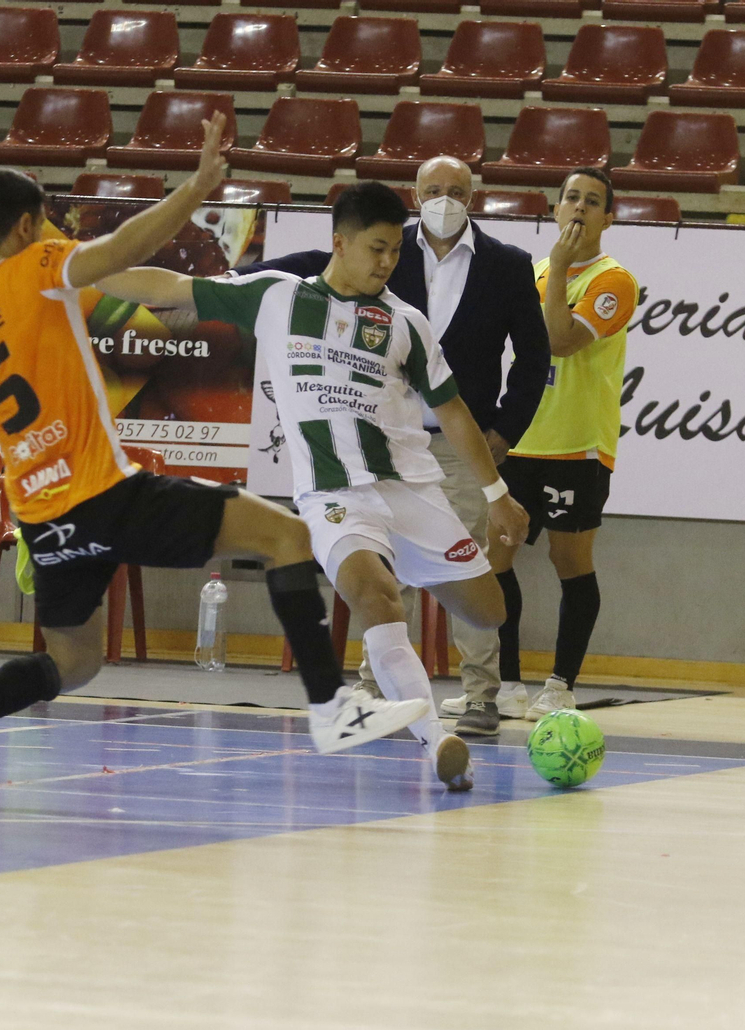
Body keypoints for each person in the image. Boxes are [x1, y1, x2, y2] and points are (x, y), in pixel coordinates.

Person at [0, 134, 433, 802]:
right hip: (104, 492)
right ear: (24, 226)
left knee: (75, 661)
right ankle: (332, 708)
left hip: (41, 516)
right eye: (43, 221)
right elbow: (120, 251)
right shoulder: (39, 264)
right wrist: (193, 191)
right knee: (287, 538)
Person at [95, 182, 530, 791]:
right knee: (374, 593)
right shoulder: (277, 296)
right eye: (376, 249)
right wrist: (80, 270)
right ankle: (439, 742)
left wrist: (495, 494)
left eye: (393, 254)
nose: (386, 262)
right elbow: (166, 290)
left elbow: (454, 412)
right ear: (339, 243)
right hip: (334, 498)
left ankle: (425, 621)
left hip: (411, 492)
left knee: (490, 614)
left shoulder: (405, 323)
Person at [234, 156, 551, 737]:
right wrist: (237, 277)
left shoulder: (507, 265)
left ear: (473, 195)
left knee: (481, 598)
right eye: (434, 189)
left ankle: (481, 692)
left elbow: (533, 359)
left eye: (456, 190)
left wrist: (501, 438)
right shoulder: (383, 249)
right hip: (375, 444)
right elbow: (304, 270)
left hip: (461, 443)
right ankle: (378, 693)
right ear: (416, 193)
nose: (444, 199)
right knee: (376, 579)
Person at [490, 167, 638, 721]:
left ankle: (560, 684)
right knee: (494, 557)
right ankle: (504, 685)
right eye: (571, 197)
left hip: (577, 446)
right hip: (521, 439)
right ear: (555, 208)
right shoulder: (529, 272)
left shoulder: (614, 280)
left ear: (608, 216)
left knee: (569, 561)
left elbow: (558, 341)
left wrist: (557, 272)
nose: (579, 208)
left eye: (592, 201)